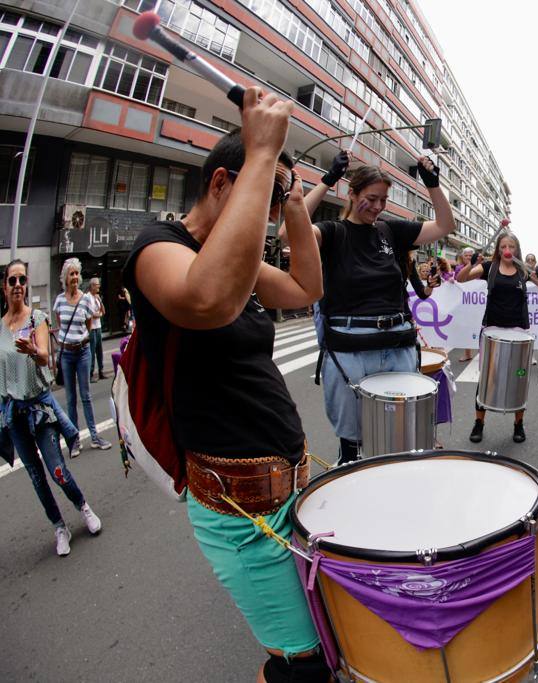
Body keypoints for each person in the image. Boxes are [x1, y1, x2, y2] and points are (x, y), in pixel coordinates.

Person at [125, 89, 330, 682]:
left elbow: (306, 289)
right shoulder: (157, 247)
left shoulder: (236, 259)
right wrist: (264, 150)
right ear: (221, 184)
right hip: (240, 513)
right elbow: (207, 300)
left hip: (288, 485)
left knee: (320, 644)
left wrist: (293, 203)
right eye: (259, 200)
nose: (263, 220)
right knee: (303, 665)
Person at [280, 155, 454, 464]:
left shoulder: (391, 231)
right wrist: (327, 179)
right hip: (350, 350)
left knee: (399, 438)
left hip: (397, 346)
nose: (377, 206)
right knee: (353, 441)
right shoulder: (333, 232)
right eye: (371, 199)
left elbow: (445, 225)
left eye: (383, 200)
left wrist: (433, 184)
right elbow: (287, 233)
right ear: (352, 193)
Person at [1, 260, 102, 556]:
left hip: (39, 408)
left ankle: (83, 506)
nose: (18, 285)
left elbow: (45, 357)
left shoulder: (37, 319)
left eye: (22, 280)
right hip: (14, 414)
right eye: (12, 281)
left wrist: (33, 351)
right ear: (4, 286)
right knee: (35, 477)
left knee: (56, 469)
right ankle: (60, 526)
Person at [457, 230, 538, 442]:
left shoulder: (523, 270)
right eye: (503, 247)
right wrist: (471, 264)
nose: (507, 250)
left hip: (519, 330)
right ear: (498, 250)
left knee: (519, 377)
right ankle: (479, 423)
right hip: (492, 329)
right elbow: (460, 279)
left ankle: (518, 424)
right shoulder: (489, 267)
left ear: (517, 249)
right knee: (486, 378)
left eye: (511, 247)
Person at [52, 258, 111, 451]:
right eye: (72, 274)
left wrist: (78, 339)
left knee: (86, 396)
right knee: (70, 398)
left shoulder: (85, 300)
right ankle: (74, 440)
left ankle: (94, 437)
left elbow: (87, 326)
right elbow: (61, 325)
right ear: (65, 278)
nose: (75, 277)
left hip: (83, 351)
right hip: (67, 354)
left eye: (77, 273)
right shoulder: (59, 300)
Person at [86, 277, 106, 382]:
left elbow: (103, 311)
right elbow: (90, 314)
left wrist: (100, 301)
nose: (99, 286)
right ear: (92, 285)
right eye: (97, 284)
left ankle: (101, 371)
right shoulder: (87, 297)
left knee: (100, 351)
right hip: (92, 328)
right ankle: (90, 373)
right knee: (92, 351)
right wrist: (98, 314)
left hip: (98, 327)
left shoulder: (96, 297)